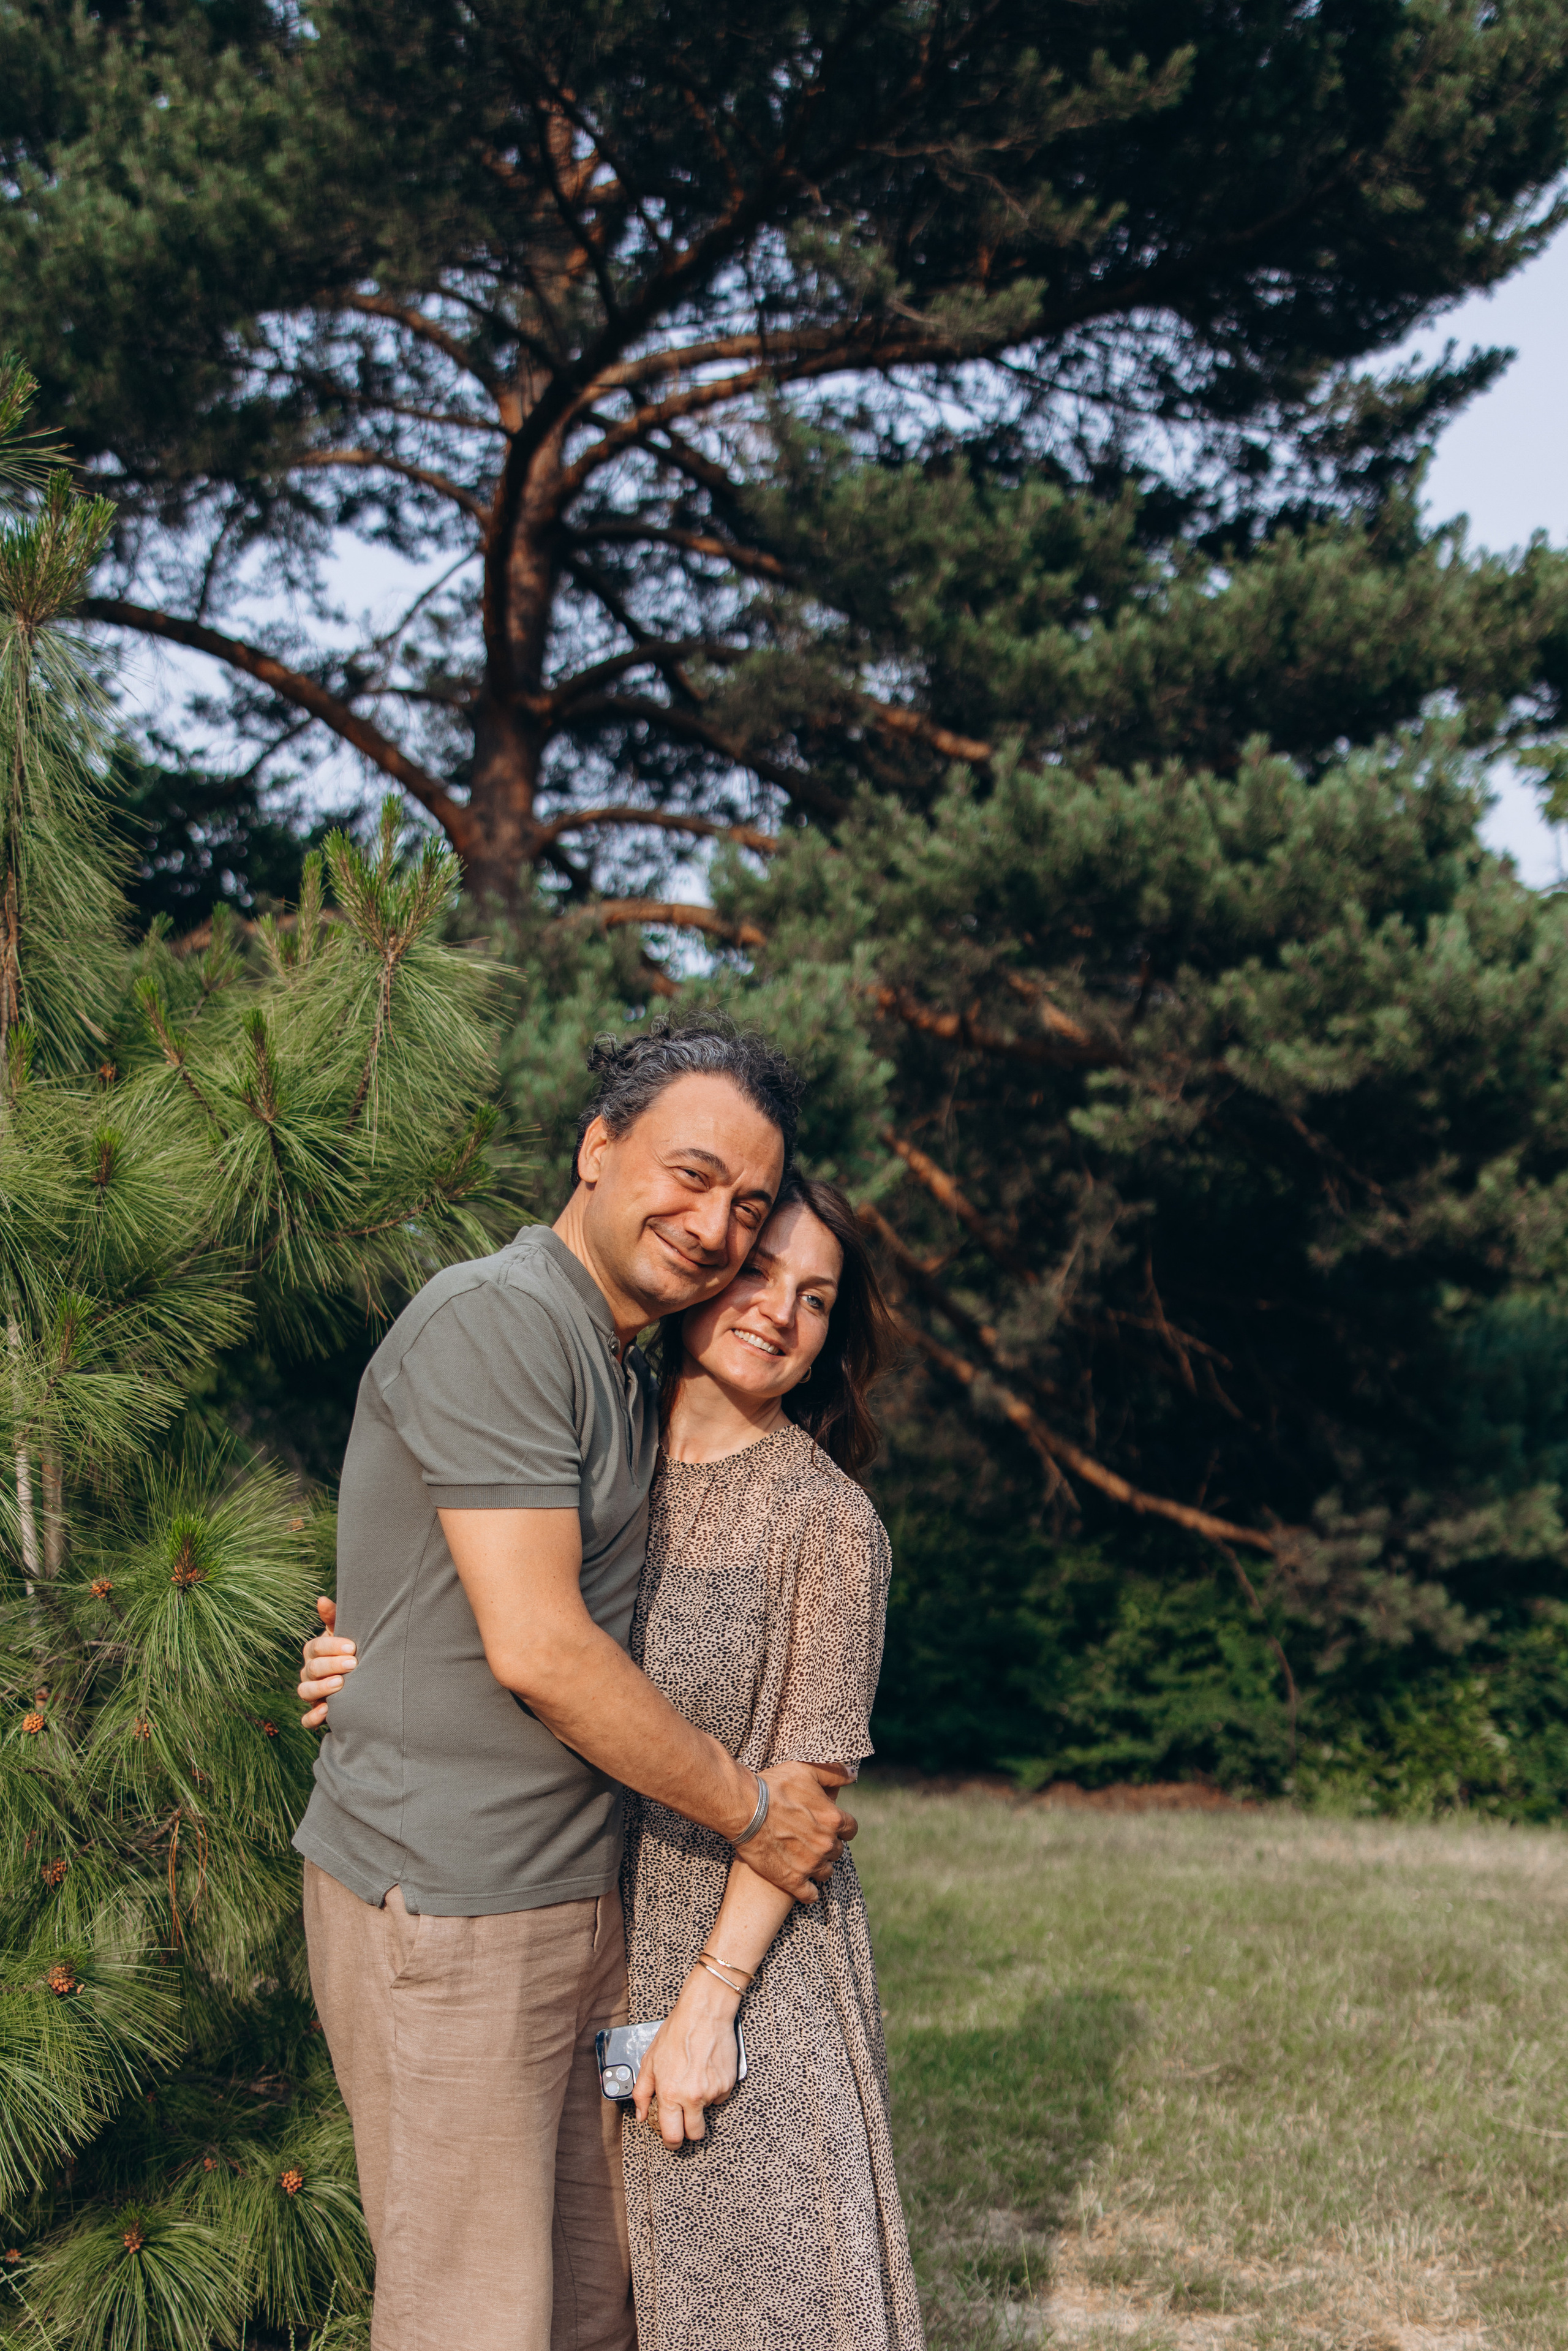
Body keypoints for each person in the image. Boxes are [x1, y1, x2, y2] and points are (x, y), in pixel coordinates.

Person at [291, 1021, 856, 2351]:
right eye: (692, 1173)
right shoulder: (501, 1318)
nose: (717, 1227)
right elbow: (540, 1645)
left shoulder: (615, 1356)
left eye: (749, 1206)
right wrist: (745, 1806)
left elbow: (481, 1590)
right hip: (452, 1907)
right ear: (597, 1149)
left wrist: (374, 1648)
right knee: (471, 2317)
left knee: (591, 2306)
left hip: (570, 1902)